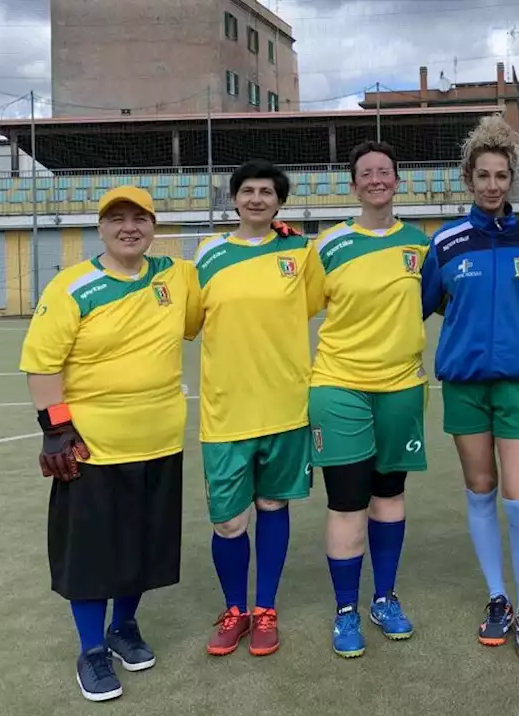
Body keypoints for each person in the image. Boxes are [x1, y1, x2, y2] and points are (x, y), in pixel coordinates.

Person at [19, 186, 199, 702]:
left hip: (160, 439)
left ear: (153, 226)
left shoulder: (175, 276)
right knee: (93, 556)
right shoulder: (73, 285)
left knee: (142, 547)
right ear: (100, 228)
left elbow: (221, 277)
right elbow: (42, 362)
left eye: (140, 218)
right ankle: (92, 650)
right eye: (117, 219)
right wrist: (55, 427)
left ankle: (125, 626)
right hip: (94, 448)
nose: (129, 228)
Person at [421, 115, 519, 661]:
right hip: (465, 386)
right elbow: (419, 306)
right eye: (483, 175)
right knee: (480, 492)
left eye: (502, 176)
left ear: (512, 179)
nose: (493, 185)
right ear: (468, 178)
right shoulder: (447, 242)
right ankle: (497, 598)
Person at [196, 160, 323, 659]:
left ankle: (265, 609)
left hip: (285, 407)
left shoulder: (299, 250)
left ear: (279, 201)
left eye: (266, 192)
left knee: (273, 507)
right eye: (247, 190)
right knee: (228, 522)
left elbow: (311, 304)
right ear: (234, 199)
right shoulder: (208, 254)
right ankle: (234, 609)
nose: (256, 198)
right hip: (225, 413)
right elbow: (190, 320)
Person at [309, 141, 430, 658]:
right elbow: (297, 308)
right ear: (353, 185)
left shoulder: (421, 244)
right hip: (339, 386)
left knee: (389, 495)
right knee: (347, 501)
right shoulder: (329, 246)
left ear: (397, 180)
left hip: (401, 387)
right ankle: (345, 611)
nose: (376, 179)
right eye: (366, 173)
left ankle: (384, 598)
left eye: (385, 170)